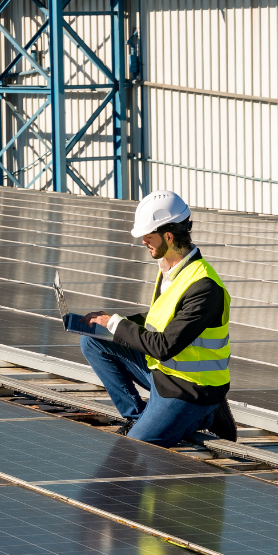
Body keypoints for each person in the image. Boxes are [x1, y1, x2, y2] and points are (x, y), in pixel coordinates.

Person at [81, 190, 237, 447]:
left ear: (169, 235)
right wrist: (105, 322)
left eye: (148, 236)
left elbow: (164, 346)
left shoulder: (205, 287)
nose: (144, 241)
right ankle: (139, 417)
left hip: (192, 387)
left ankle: (206, 415)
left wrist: (115, 323)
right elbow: (160, 317)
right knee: (93, 341)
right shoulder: (171, 269)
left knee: (139, 445)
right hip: (163, 373)